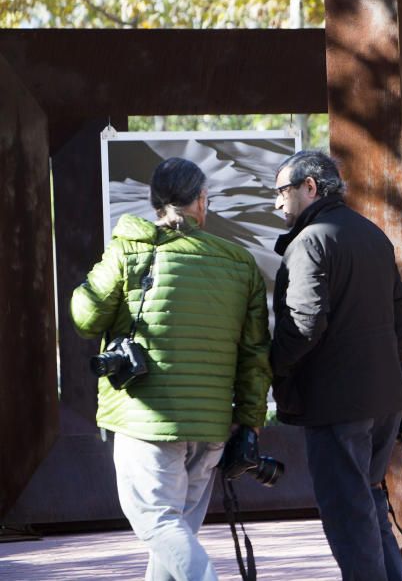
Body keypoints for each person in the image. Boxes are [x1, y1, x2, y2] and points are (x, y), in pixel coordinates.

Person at [71, 157, 272, 581]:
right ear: (201, 201)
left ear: (154, 202)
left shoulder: (131, 250)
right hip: (211, 426)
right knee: (174, 533)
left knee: (156, 521)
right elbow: (255, 355)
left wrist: (116, 251)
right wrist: (249, 424)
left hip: (147, 418)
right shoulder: (239, 264)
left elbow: (85, 316)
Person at [269, 150, 402, 581]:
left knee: (349, 517)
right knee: (368, 505)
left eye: (281, 191)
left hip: (337, 404)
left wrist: (272, 365)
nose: (277, 203)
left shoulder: (310, 241)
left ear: (308, 187)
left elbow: (304, 323)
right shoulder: (371, 235)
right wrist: (382, 365)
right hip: (384, 399)